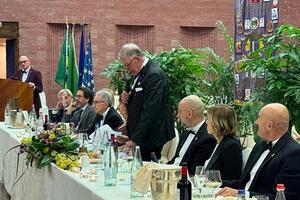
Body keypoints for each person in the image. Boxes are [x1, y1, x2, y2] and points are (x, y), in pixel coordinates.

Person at [217, 103, 300, 200]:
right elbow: (245, 183)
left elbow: (284, 197)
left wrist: (241, 193)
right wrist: (216, 183)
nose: (256, 121)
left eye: (259, 117)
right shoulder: (260, 145)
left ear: (269, 125)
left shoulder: (294, 153)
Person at [119, 43, 175, 161]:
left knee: (147, 172)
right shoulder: (141, 72)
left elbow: (150, 111)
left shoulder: (153, 74)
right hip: (143, 136)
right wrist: (127, 100)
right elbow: (139, 103)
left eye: (127, 65)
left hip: (151, 137)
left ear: (137, 59)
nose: (127, 69)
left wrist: (135, 139)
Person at [168, 95, 216, 175]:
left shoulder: (207, 138)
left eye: (179, 111)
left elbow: (194, 171)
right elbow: (176, 160)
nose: (177, 115)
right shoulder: (186, 133)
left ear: (189, 113)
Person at [204, 104, 242, 180]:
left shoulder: (231, 145)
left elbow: (232, 179)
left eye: (209, 119)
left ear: (219, 123)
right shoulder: (218, 142)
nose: (206, 122)